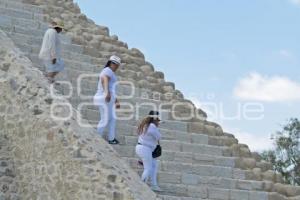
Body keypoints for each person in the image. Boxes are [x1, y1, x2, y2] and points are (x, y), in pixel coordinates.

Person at [93, 55, 121, 145]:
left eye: (117, 64)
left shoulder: (111, 72)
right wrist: (106, 92)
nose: (115, 66)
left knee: (112, 118)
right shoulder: (107, 70)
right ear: (110, 63)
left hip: (107, 98)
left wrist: (116, 101)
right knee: (105, 119)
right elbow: (104, 78)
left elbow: (111, 88)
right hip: (103, 97)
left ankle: (111, 138)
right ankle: (96, 137)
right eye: (114, 63)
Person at [136, 111, 162, 192]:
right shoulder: (152, 126)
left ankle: (154, 185)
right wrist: (157, 126)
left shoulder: (146, 125)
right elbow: (159, 137)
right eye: (157, 119)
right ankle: (141, 185)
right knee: (148, 168)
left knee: (154, 166)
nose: (158, 121)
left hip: (142, 148)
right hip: (145, 149)